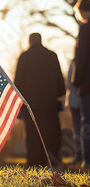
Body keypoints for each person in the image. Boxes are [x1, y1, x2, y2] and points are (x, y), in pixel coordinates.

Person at [14, 33, 66, 167]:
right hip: (49, 102)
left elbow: (18, 81)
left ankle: (34, 161)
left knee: (32, 134)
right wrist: (60, 93)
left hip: (30, 103)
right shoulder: (52, 55)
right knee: (51, 134)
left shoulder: (24, 57)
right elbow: (59, 77)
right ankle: (53, 161)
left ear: (30, 41)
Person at [72, 0, 90, 170]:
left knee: (87, 122)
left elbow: (82, 57)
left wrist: (75, 80)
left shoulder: (85, 30)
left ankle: (88, 159)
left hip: (87, 84)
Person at [65, 60, 82, 165]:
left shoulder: (73, 67)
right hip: (78, 101)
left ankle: (79, 156)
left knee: (78, 129)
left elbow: (69, 85)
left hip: (76, 101)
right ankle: (80, 156)